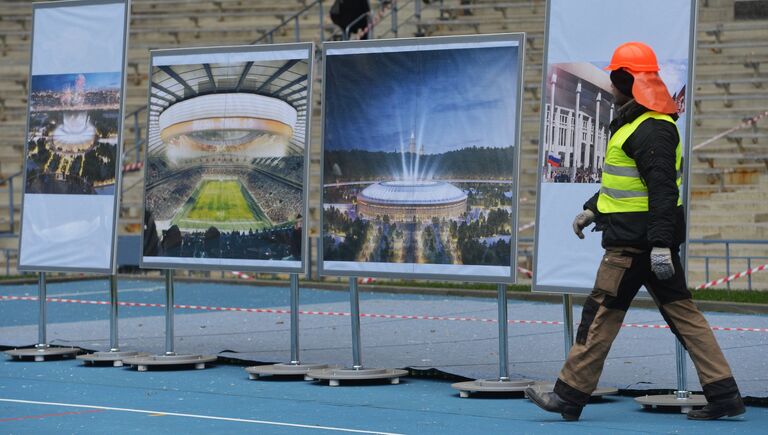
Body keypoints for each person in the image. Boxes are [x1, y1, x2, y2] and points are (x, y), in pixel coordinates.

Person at [525, 42, 745, 421]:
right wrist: (593, 208)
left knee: (599, 317)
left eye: (614, 79)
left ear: (624, 81)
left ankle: (568, 396)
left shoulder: (649, 129)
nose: (610, 86)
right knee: (686, 318)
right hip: (646, 244)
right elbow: (626, 186)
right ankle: (724, 394)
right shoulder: (643, 126)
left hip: (632, 248)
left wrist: (659, 244)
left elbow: (663, 192)